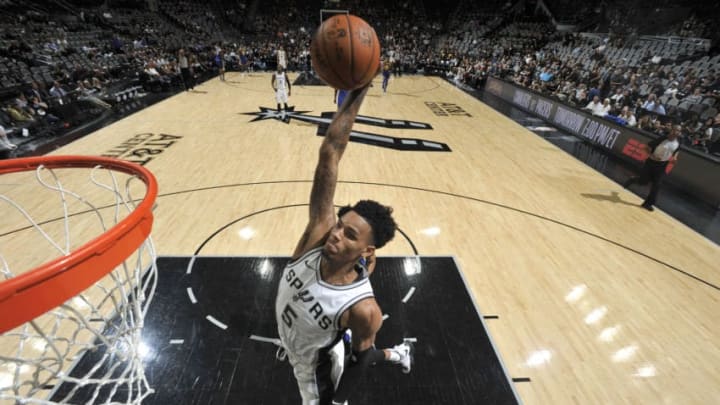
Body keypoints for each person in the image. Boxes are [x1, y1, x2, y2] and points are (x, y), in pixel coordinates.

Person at [275, 84, 413, 405]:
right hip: (318, 334)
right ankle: (399, 352)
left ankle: (397, 353)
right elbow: (330, 152)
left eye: (350, 235)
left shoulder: (365, 310)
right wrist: (359, 88)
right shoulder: (317, 236)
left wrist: (338, 402)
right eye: (340, 225)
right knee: (339, 339)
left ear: (367, 251)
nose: (336, 234)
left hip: (314, 372)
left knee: (349, 351)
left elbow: (360, 360)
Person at [623, 125, 682, 211]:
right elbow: (646, 147)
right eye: (674, 130)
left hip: (662, 165)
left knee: (657, 185)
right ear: (671, 130)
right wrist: (652, 155)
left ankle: (648, 204)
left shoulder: (678, 142)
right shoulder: (662, 139)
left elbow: (677, 150)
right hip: (651, 162)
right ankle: (633, 179)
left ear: (679, 133)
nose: (675, 132)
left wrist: (675, 157)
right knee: (643, 182)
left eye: (678, 131)